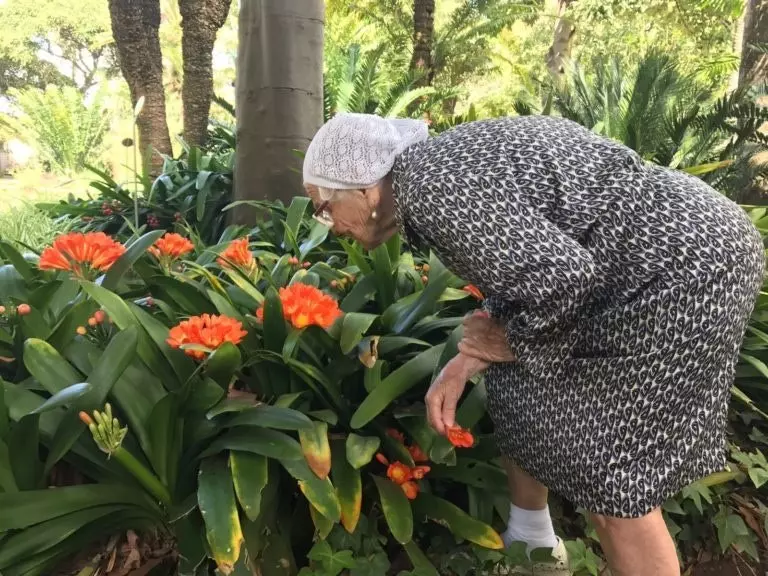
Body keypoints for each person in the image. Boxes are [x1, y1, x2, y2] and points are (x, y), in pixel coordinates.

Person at [302, 112, 764, 576]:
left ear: (362, 187)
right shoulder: (429, 173)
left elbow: (564, 279)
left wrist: (510, 342)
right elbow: (526, 271)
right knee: (516, 385)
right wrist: (468, 360)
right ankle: (532, 541)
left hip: (681, 271)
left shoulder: (431, 190)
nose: (329, 227)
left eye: (323, 208)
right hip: (671, 255)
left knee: (613, 480)